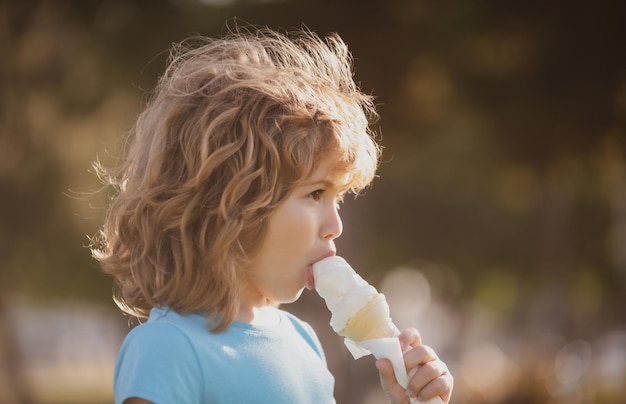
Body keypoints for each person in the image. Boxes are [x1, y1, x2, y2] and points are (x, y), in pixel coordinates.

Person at [92, 26, 453, 404]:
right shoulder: (168, 349)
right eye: (315, 193)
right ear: (233, 205)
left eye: (338, 199)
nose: (335, 226)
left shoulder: (304, 343)